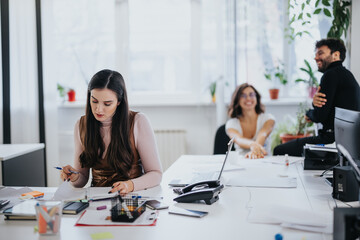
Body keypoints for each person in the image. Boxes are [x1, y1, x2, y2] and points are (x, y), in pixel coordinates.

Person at [60, 69, 162, 195]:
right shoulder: (81, 125)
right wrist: (74, 177)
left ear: (119, 102)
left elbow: (156, 174)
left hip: (130, 198)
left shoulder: (138, 121)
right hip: (96, 200)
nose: (99, 109)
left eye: (107, 104)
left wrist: (129, 185)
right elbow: (82, 180)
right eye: (94, 101)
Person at [273, 38, 360, 156]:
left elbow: (320, 115)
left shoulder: (330, 74)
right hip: (346, 142)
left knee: (279, 150)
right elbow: (327, 107)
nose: (316, 57)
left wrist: (309, 113)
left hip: (330, 141)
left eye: (321, 53)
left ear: (336, 55)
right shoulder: (345, 75)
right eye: (316, 54)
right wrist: (315, 105)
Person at [226, 83, 275, 159]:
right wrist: (252, 145)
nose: (248, 98)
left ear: (256, 97)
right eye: (243, 96)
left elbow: (263, 134)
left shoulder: (268, 119)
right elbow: (238, 139)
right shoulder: (231, 124)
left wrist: (254, 151)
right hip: (242, 162)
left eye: (251, 95)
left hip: (264, 160)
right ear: (237, 100)